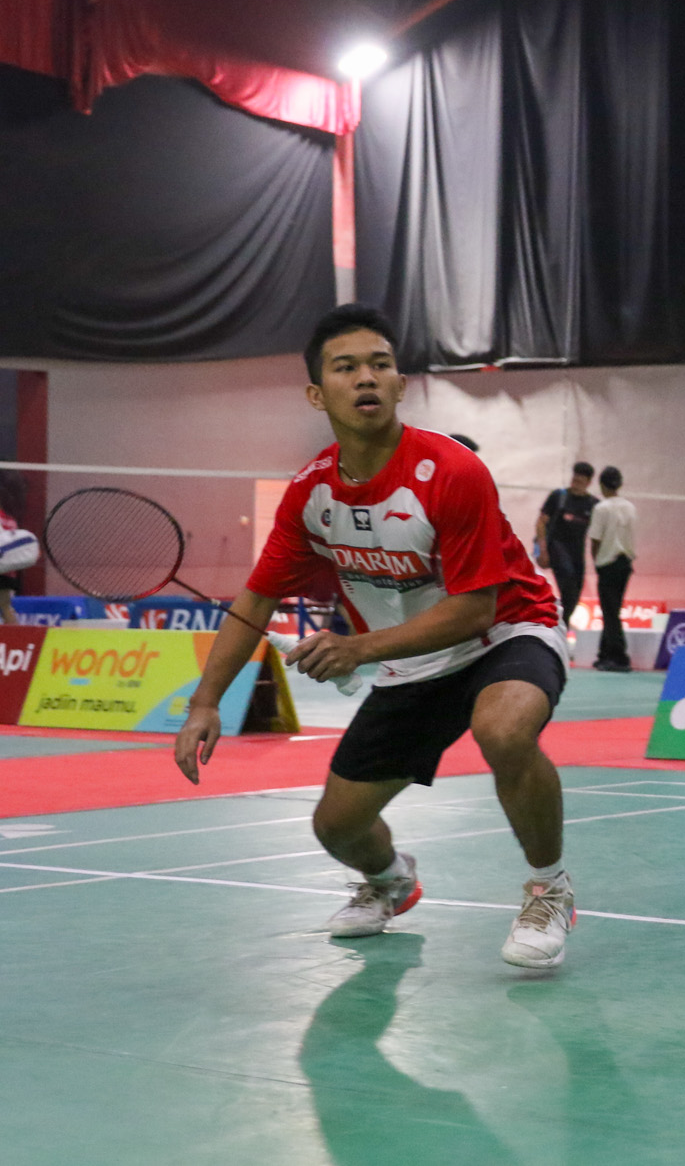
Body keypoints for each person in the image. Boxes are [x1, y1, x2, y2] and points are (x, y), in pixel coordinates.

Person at [171, 304, 577, 969]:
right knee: (337, 825)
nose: (366, 377)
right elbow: (255, 600)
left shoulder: (451, 471)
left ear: (399, 384)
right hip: (410, 663)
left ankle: (549, 887)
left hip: (506, 631)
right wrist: (205, 701)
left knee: (504, 730)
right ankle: (390, 881)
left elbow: (474, 610)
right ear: (317, 394)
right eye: (346, 367)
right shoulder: (312, 494)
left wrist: (357, 648)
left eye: (380, 364)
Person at [587, 466, 638, 672]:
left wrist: (596, 562)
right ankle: (604, 654)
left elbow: (595, 539)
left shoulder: (601, 508)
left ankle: (619, 657)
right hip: (625, 563)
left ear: (601, 485)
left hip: (608, 564)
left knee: (609, 612)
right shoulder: (630, 507)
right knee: (612, 610)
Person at [535, 462, 596, 621]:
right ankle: (558, 621)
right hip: (557, 547)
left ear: (588, 482)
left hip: (577, 552)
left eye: (581, 480)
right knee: (567, 581)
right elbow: (541, 522)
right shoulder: (559, 497)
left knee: (575, 591)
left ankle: (562, 622)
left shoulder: (592, 504)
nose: (576, 483)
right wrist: (542, 550)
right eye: (575, 479)